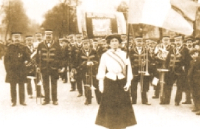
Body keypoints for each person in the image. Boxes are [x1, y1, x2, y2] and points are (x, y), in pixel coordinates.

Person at [95, 34, 137, 129]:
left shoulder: (124, 54)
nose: (114, 43)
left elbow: (129, 69)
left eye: (116, 41)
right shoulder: (105, 55)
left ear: (119, 43)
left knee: (122, 105)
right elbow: (101, 69)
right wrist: (101, 84)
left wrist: (128, 82)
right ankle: (110, 125)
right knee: (110, 105)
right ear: (109, 44)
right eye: (112, 41)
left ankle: (122, 126)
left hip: (121, 81)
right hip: (109, 81)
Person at [36, 29, 63, 105]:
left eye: (50, 35)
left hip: (54, 68)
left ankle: (54, 99)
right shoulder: (40, 45)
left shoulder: (56, 45)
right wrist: (38, 66)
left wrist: (59, 67)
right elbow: (38, 57)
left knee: (54, 84)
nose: (48, 36)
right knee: (45, 84)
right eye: (47, 35)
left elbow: (60, 56)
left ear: (52, 36)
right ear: (44, 36)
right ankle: (46, 99)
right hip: (44, 68)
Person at [4, 32, 30, 106]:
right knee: (13, 87)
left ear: (20, 38)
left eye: (18, 37)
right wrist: (8, 70)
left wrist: (26, 62)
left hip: (21, 70)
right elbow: (6, 60)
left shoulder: (24, 47)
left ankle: (22, 101)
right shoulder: (9, 47)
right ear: (12, 38)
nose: (16, 39)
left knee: (21, 86)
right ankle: (13, 101)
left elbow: (28, 58)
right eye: (15, 37)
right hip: (12, 71)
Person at [129, 36, 151, 105]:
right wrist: (133, 65)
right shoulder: (131, 50)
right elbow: (129, 60)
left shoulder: (146, 50)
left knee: (144, 86)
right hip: (134, 71)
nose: (139, 43)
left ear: (143, 42)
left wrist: (146, 62)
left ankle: (144, 101)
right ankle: (133, 100)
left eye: (140, 41)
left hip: (143, 70)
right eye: (138, 41)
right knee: (133, 86)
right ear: (135, 42)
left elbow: (150, 59)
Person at [76, 39, 99, 105]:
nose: (86, 45)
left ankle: (99, 99)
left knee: (96, 84)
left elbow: (98, 59)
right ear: (82, 45)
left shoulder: (94, 51)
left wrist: (93, 63)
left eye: (87, 44)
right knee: (86, 85)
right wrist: (85, 63)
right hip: (84, 71)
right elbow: (77, 62)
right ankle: (88, 100)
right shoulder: (79, 52)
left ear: (89, 44)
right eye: (84, 44)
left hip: (94, 70)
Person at [187, 49, 200, 115]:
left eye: (195, 53)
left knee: (198, 94)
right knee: (194, 94)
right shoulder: (191, 61)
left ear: (198, 53)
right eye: (191, 54)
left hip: (198, 80)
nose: (193, 55)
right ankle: (196, 107)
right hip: (192, 80)